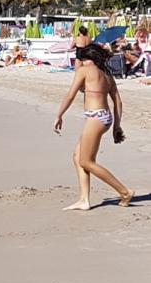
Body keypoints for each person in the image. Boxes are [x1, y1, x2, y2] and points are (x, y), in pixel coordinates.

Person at [54, 44, 134, 211]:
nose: (80, 64)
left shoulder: (84, 71)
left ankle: (124, 191)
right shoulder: (107, 74)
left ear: (87, 60)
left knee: (86, 161)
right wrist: (116, 126)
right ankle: (84, 199)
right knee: (77, 157)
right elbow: (118, 101)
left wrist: (59, 115)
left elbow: (70, 95)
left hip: (95, 118)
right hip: (105, 118)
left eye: (81, 60)